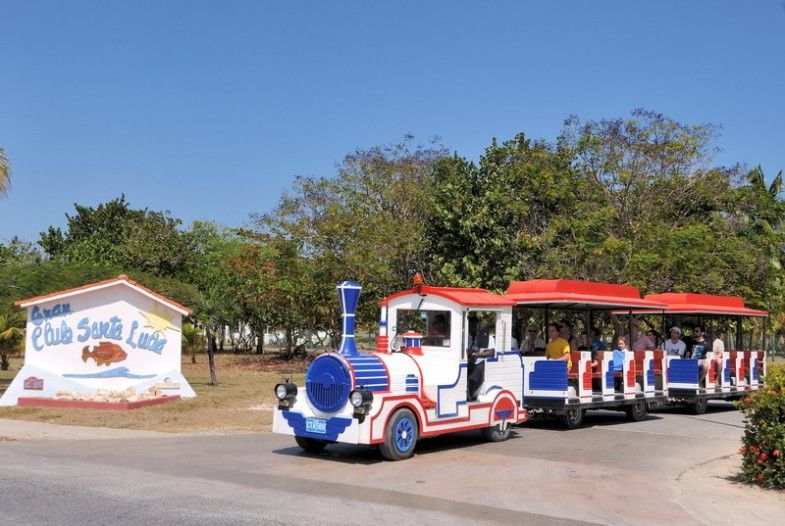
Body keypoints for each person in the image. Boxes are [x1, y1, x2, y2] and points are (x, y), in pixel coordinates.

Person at [467, 323, 495, 400]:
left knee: (479, 368)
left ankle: (470, 392)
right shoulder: (474, 338)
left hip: (485, 362)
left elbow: (491, 353)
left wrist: (477, 354)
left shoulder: (490, 338)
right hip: (472, 361)